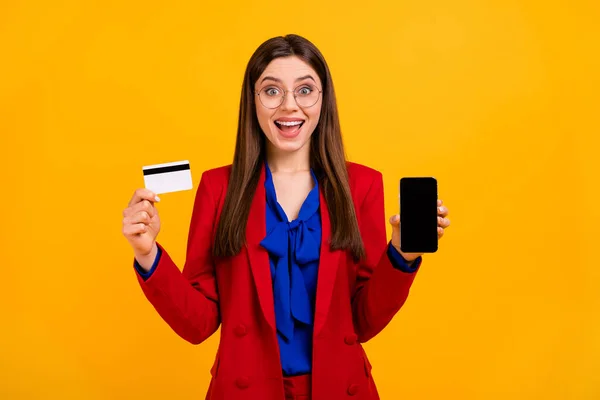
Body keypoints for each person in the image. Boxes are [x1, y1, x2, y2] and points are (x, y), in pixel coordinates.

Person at [122, 34, 451, 400]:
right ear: (253, 101)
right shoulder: (218, 188)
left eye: (305, 90)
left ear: (323, 100)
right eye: (272, 91)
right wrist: (148, 254)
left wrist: (401, 253)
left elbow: (363, 321)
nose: (289, 106)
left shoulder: (362, 185)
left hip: (341, 390)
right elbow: (198, 324)